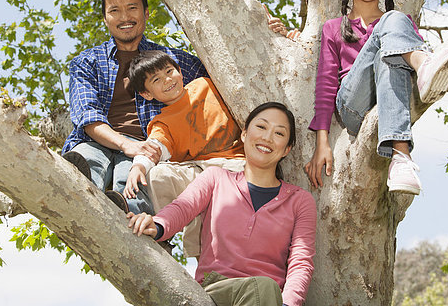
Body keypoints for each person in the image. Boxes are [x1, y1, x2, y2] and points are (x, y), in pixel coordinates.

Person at [270, 0, 448, 195]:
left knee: (392, 44)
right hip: (352, 104)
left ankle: (401, 159)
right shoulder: (333, 27)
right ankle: (423, 63)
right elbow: (326, 83)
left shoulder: (399, 25)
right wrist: (322, 142)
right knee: (392, 21)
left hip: (391, 94)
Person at [128, 102, 317, 306]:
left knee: (265, 288)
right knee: (263, 286)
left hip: (268, 298)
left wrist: (289, 304)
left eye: (279, 133)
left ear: (287, 149)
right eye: (261, 127)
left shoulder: (300, 201)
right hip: (214, 292)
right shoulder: (216, 178)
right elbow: (183, 207)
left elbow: (301, 262)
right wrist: (156, 225)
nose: (267, 137)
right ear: (244, 134)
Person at [62, 0, 207, 214]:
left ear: (146, 13)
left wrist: (273, 30)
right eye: (115, 10)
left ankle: (133, 219)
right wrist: (125, 144)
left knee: (129, 185)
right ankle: (74, 195)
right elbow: (87, 115)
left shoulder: (172, 60)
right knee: (86, 162)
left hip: (146, 146)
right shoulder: (86, 62)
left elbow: (223, 76)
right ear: (106, 18)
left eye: (132, 8)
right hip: (95, 141)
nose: (125, 17)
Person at [123, 49, 245, 256]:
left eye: (169, 71)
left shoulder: (205, 84)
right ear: (147, 94)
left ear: (180, 71)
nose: (167, 80)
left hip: (235, 163)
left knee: (217, 202)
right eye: (156, 79)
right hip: (199, 172)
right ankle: (197, 254)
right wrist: (138, 166)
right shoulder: (161, 123)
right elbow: (155, 147)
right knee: (159, 175)